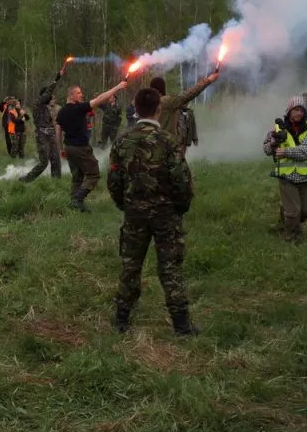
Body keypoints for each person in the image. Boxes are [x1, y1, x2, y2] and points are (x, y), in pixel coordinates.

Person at [108, 88, 196, 335]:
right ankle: (181, 325)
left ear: (135, 108)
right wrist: (180, 207)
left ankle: (122, 320)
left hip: (134, 214)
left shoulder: (122, 141)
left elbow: (114, 181)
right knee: (170, 268)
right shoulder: (168, 141)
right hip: (165, 215)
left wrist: (125, 205)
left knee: (130, 266)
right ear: (159, 108)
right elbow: (182, 181)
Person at [56, 81, 127, 212]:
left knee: (77, 177)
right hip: (80, 148)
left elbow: (58, 131)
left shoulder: (61, 112)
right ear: (71, 95)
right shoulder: (79, 108)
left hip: (69, 147)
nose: (81, 95)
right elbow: (100, 99)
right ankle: (78, 198)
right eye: (78, 93)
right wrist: (117, 87)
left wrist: (61, 148)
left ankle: (74, 204)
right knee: (93, 174)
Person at [263, 96, 307, 243]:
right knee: (294, 212)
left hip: (306, 175)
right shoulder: (276, 129)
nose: (299, 113)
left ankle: (285, 216)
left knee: (305, 211)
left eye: (302, 110)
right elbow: (267, 150)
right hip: (286, 176)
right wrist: (273, 143)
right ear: (289, 111)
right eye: (296, 110)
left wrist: (286, 152)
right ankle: (293, 238)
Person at [148, 71, 219, 142]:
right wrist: (209, 80)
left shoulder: (145, 102)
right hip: (166, 144)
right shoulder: (167, 101)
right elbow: (189, 94)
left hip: (150, 143)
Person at [19, 69, 64, 183]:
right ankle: (26, 180)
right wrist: (57, 78)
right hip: (42, 136)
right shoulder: (38, 104)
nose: (51, 97)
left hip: (50, 135)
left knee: (56, 160)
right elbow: (48, 92)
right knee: (44, 163)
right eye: (49, 96)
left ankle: (56, 182)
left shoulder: (47, 107)